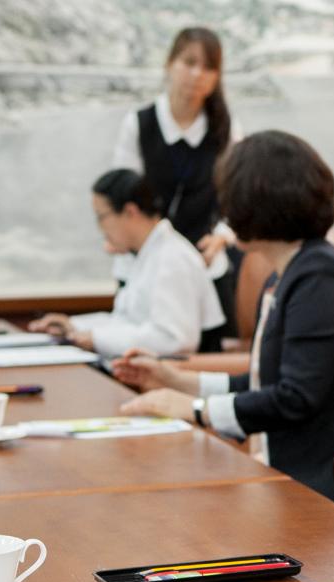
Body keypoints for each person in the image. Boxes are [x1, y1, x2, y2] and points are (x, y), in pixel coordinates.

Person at [114, 131, 334, 503]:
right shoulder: (287, 271)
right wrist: (180, 381)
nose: (224, 215)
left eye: (229, 200)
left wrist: (196, 410)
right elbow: (265, 381)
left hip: (328, 480)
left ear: (258, 203)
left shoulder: (320, 276)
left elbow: (295, 397)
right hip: (292, 469)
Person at [111, 26, 241, 344]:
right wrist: (117, 234)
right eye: (189, 62)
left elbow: (240, 198)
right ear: (170, 64)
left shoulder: (226, 129)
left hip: (204, 263)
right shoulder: (139, 124)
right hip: (143, 266)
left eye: (209, 67)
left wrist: (222, 237)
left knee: (205, 363)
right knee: (138, 353)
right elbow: (122, 193)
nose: (197, 74)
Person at [30, 169, 223, 357]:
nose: (100, 228)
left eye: (101, 217)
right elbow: (127, 323)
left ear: (130, 211)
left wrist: (96, 338)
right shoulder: (148, 253)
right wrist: (73, 326)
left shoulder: (172, 258)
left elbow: (173, 339)